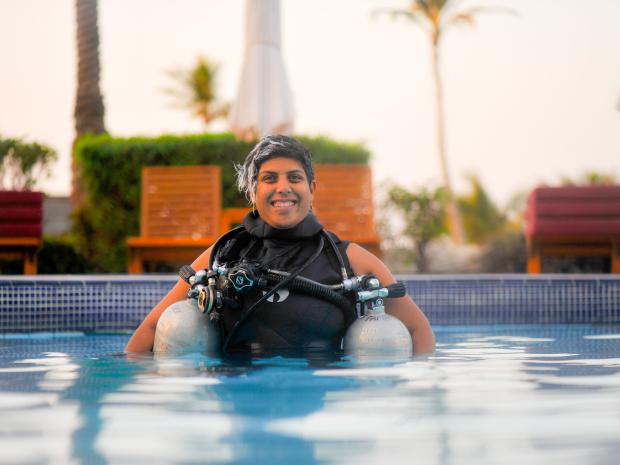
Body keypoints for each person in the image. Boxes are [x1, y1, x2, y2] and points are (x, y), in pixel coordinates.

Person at [125, 135, 435, 354]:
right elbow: (153, 330)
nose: (283, 188)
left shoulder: (350, 260)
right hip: (242, 400)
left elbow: (418, 330)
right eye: (270, 178)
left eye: (295, 178)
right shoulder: (223, 255)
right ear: (252, 191)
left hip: (320, 403)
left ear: (311, 188)